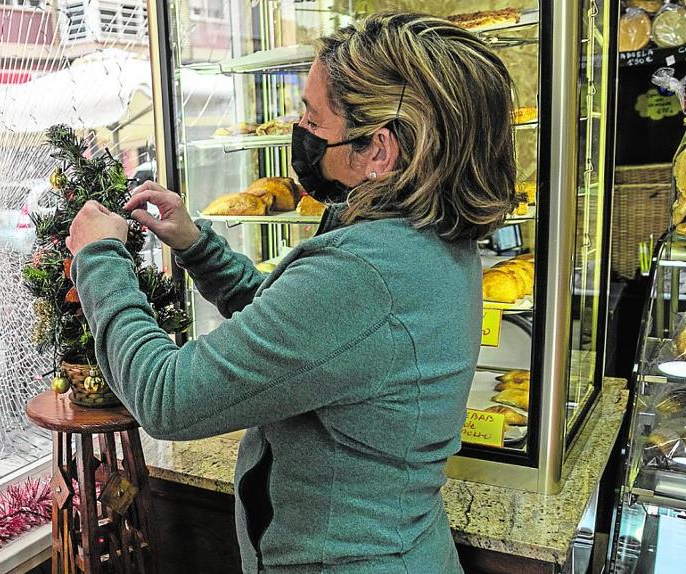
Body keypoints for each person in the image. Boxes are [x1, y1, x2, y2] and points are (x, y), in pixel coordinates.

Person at [64, 12, 517, 574]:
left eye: (312, 115)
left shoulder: (366, 273)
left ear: (380, 150)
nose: (296, 127)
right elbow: (298, 332)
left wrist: (99, 259)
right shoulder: (424, 236)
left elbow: (166, 397)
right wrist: (197, 245)